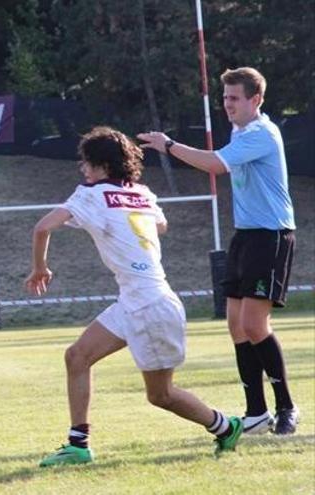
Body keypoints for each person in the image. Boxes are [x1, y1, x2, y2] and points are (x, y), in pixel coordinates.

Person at [26, 127, 243, 467]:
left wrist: (40, 269)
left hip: (150, 305)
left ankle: (225, 425)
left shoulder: (91, 195)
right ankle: (78, 444)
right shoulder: (142, 193)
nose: (83, 170)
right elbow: (160, 226)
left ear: (103, 166)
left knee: (161, 395)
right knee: (77, 357)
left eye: (87, 163)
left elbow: (41, 228)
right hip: (137, 299)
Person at [137, 67, 299, 435]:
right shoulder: (240, 130)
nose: (227, 105)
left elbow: (215, 165)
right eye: (224, 98)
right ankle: (256, 412)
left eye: (234, 98)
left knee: (255, 324)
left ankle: (286, 407)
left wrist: (169, 145)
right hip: (246, 235)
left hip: (271, 235)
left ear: (255, 100)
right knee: (236, 325)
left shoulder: (261, 132)